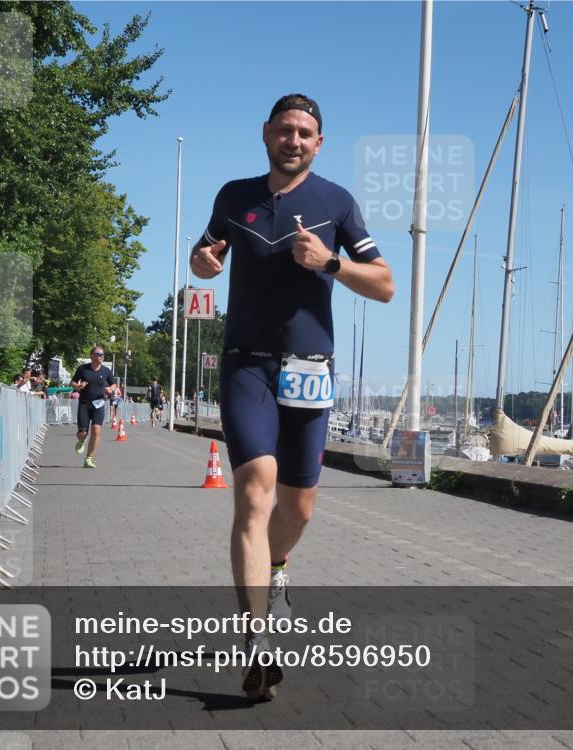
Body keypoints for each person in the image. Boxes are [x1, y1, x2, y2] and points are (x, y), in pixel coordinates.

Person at [190, 93, 393, 700]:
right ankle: (256, 644)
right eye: (285, 130)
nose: (294, 140)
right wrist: (203, 263)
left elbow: (383, 285)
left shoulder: (336, 203)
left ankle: (276, 567)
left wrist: (330, 262)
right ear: (266, 134)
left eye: (305, 133)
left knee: (298, 508)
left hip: (310, 370)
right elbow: (205, 260)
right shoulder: (234, 197)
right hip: (246, 365)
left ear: (318, 143)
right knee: (254, 492)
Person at [70, 346, 118, 469]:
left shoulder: (106, 371)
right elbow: (73, 383)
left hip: (99, 404)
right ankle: (82, 440)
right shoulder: (83, 369)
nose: (101, 356)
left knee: (96, 430)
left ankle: (89, 459)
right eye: (98, 354)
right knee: (82, 433)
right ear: (91, 355)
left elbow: (113, 384)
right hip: (84, 404)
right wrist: (79, 386)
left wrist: (110, 389)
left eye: (103, 354)